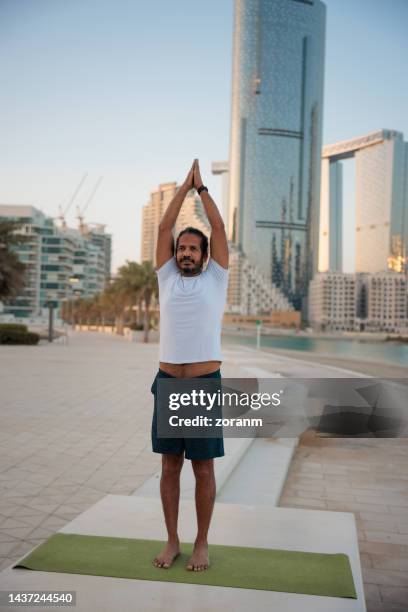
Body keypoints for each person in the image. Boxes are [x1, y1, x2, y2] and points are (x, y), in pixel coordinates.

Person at [151, 159, 229, 572]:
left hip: (201, 384)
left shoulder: (215, 278)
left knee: (202, 468)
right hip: (167, 382)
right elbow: (164, 229)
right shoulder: (166, 277)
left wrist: (202, 191)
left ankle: (201, 544)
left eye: (192, 248)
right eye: (181, 248)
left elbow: (219, 231)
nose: (184, 252)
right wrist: (181, 186)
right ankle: (172, 540)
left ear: (203, 255)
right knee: (169, 466)